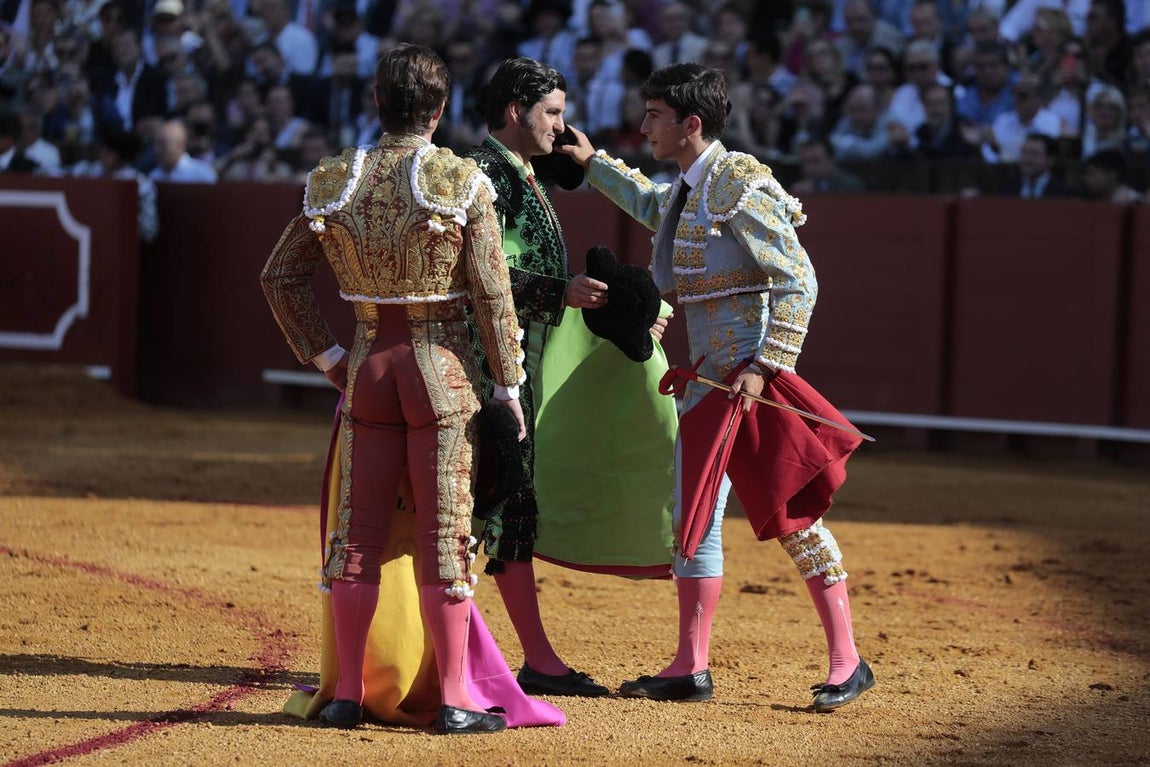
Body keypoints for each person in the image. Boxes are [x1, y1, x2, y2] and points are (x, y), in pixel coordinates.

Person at [557, 62, 875, 711]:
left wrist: (766, 367)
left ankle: (849, 660)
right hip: (707, 384)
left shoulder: (739, 182)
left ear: (689, 123)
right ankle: (689, 665)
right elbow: (653, 206)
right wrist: (595, 164)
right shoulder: (691, 186)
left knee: (792, 515)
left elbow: (800, 280)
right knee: (693, 518)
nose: (643, 125)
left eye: (653, 115)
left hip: (748, 382)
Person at [261, 43, 556, 735]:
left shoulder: (336, 179)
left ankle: (347, 695)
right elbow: (489, 292)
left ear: (377, 103)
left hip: (366, 369)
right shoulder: (459, 181)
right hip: (441, 372)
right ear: (441, 109)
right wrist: (510, 385)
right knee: (443, 536)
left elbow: (279, 277)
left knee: (356, 539)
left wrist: (329, 354)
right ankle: (453, 696)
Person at [462, 56, 677, 698]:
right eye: (552, 113)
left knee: (507, 508)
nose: (562, 126)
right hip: (484, 370)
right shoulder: (480, 177)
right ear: (512, 113)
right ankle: (509, 658)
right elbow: (476, 277)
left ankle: (531, 659)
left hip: (516, 363)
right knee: (486, 509)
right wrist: (563, 291)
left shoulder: (520, 174)